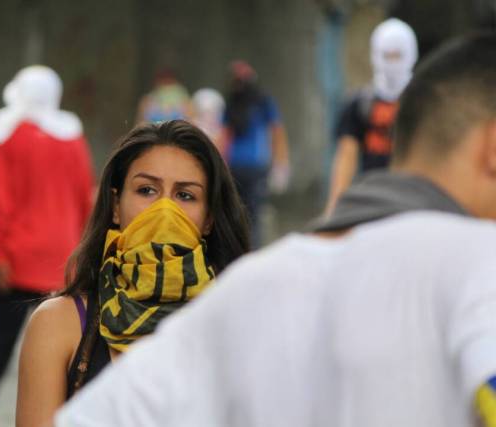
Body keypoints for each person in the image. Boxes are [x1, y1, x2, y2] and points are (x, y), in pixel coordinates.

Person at [55, 33, 496, 427]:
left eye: (186, 195)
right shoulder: (480, 265)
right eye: (147, 190)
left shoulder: (244, 290)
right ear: (492, 148)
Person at [15, 120, 250, 427]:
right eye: (147, 190)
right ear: (116, 206)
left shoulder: (242, 324)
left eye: (185, 196)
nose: (164, 211)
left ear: (209, 220)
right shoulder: (59, 325)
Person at [0, 65, 94, 426]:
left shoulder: (5, 132)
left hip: (20, 255)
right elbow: (84, 197)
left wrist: (0, 255)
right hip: (65, 256)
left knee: (1, 338)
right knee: (69, 345)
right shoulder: (72, 135)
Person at [325, 18, 418, 214]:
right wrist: (335, 205)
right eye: (387, 55)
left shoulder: (424, 101)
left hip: (414, 196)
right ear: (376, 55)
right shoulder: (359, 103)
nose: (392, 63)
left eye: (398, 56)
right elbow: (347, 154)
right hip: (372, 196)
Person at [221, 60, 290, 247]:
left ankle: (245, 252)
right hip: (250, 165)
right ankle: (249, 252)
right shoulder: (256, 101)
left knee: (243, 213)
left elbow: (224, 137)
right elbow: (277, 131)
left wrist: (281, 162)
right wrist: (281, 163)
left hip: (243, 165)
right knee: (252, 215)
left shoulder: (251, 102)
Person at [191, 87, 225, 153]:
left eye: (212, 112)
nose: (209, 116)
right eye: (206, 112)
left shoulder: (219, 132)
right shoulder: (193, 129)